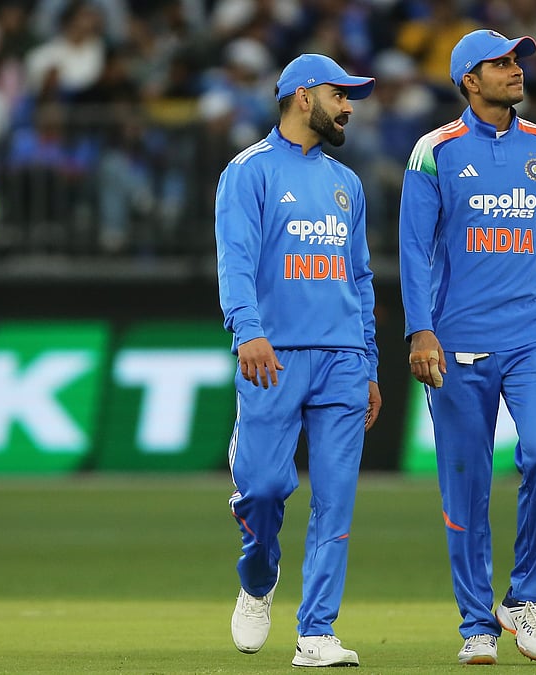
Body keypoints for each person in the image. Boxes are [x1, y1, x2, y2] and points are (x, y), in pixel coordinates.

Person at [398, 29, 536, 666]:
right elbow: (413, 253)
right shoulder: (434, 152)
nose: (516, 70)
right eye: (501, 63)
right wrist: (420, 330)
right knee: (466, 490)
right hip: (456, 343)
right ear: (469, 79)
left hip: (533, 336)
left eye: (517, 62)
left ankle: (526, 598)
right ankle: (476, 624)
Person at [215, 53, 382, 668]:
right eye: (340, 95)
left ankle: (317, 632)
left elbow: (359, 278)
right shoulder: (249, 171)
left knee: (335, 501)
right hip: (273, 357)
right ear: (304, 96)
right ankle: (258, 578)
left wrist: (368, 362)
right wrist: (248, 331)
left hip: (342, 359)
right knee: (262, 490)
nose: (348, 107)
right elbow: (235, 260)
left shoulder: (347, 183)